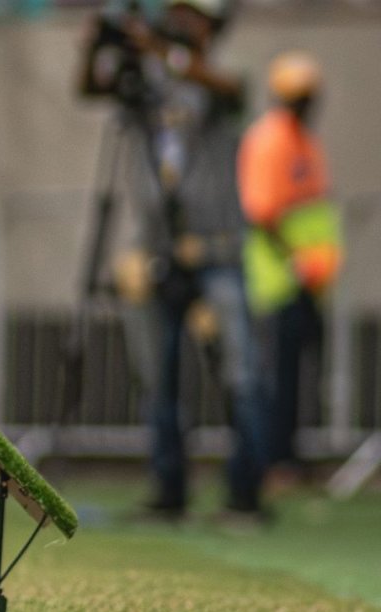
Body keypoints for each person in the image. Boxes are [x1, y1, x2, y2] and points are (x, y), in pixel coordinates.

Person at [79, 0, 267, 526]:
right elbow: (91, 89)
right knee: (159, 378)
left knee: (241, 375)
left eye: (193, 15)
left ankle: (246, 495)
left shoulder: (222, 79)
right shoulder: (151, 85)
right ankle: (169, 491)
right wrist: (99, 45)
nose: (181, 21)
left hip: (219, 250)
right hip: (159, 252)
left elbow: (229, 89)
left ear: (211, 27)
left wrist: (160, 47)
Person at [239, 51, 336, 487]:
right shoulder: (271, 139)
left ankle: (289, 458)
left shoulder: (303, 141)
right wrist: (293, 261)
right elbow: (261, 210)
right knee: (274, 378)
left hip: (307, 281)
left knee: (296, 376)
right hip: (278, 279)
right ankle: (272, 462)